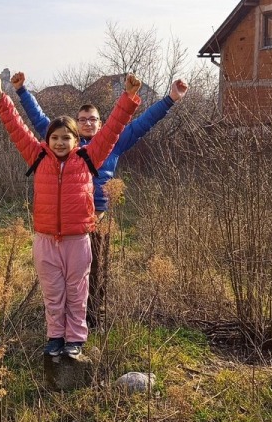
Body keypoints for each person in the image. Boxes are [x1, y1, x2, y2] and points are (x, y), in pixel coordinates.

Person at [12, 73, 189, 327]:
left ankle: (92, 321)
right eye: (81, 119)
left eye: (92, 119)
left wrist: (171, 98)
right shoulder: (65, 144)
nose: (86, 123)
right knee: (61, 278)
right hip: (66, 225)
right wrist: (21, 91)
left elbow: (144, 122)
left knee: (94, 275)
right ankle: (59, 324)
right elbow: (39, 119)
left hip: (98, 220)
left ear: (100, 122)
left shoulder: (113, 142)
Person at [0, 72, 141, 357]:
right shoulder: (37, 156)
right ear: (48, 140)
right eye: (55, 138)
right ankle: (55, 336)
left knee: (77, 291)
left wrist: (128, 97)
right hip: (45, 240)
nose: (60, 142)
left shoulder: (88, 158)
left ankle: (75, 338)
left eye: (66, 138)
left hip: (77, 239)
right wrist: (1, 96)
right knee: (53, 293)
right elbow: (16, 127)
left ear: (75, 140)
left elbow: (112, 130)